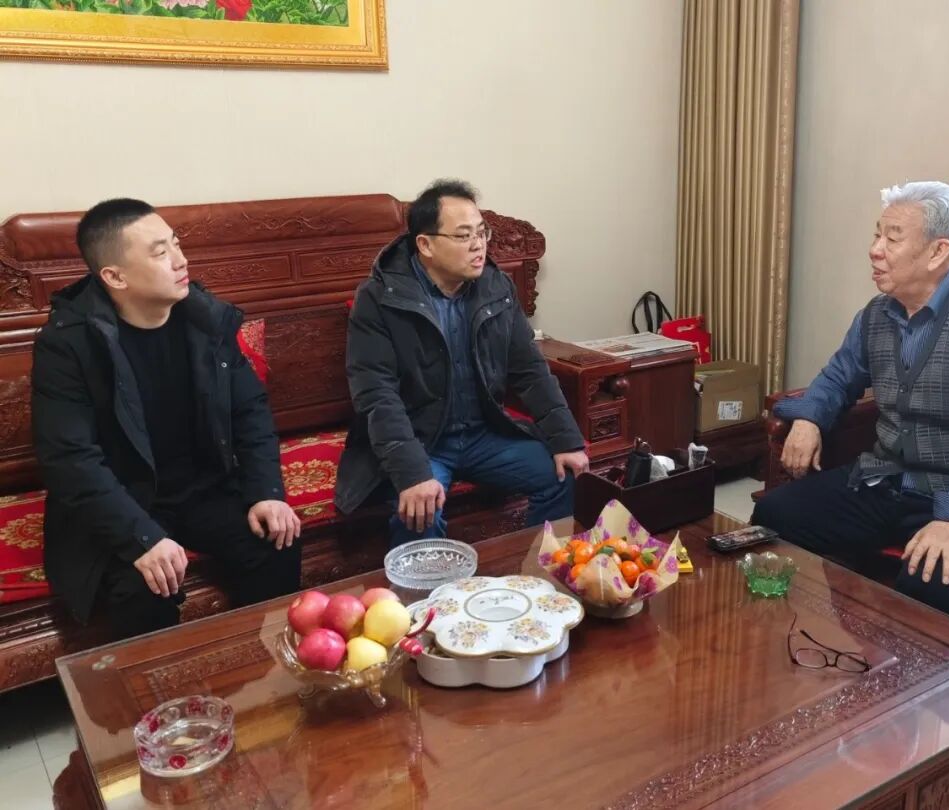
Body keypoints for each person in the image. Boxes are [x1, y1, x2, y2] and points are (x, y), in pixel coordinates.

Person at [751, 181, 949, 623]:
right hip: (893, 479)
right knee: (775, 515)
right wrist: (810, 418)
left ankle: (937, 669)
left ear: (937, 252)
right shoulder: (879, 312)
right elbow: (838, 376)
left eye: (892, 239)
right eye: (877, 235)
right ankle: (800, 635)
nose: (875, 250)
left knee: (932, 579)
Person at [32, 198, 302, 639]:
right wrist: (141, 537)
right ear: (115, 276)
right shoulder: (69, 344)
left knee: (276, 541)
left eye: (176, 244)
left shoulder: (204, 318)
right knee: (143, 588)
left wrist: (265, 492)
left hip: (202, 489)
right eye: (160, 252)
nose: (180, 260)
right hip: (123, 498)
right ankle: (162, 686)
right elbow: (70, 459)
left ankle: (258, 668)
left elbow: (250, 411)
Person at [335, 179, 589, 545]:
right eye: (463, 235)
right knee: (420, 511)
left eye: (482, 233)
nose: (478, 244)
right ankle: (429, 585)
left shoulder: (496, 286)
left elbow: (530, 371)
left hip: (484, 434)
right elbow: (376, 394)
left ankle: (538, 573)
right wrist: (412, 473)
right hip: (422, 441)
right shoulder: (379, 298)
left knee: (562, 474)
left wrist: (566, 439)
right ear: (425, 244)